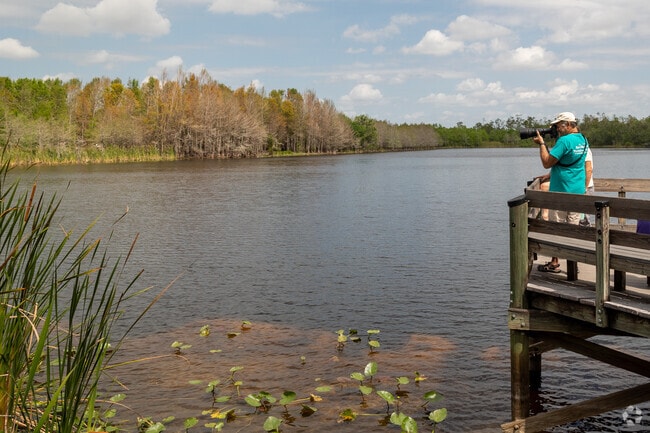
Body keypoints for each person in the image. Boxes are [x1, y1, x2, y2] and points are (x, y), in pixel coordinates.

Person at [533, 112, 589, 273]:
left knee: (556, 229)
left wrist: (541, 144)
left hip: (560, 193)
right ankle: (573, 266)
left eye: (558, 125)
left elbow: (546, 162)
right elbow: (570, 163)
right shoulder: (583, 139)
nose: (556, 128)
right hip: (577, 191)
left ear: (568, 124)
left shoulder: (564, 141)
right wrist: (551, 174)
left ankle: (554, 262)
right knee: (572, 229)